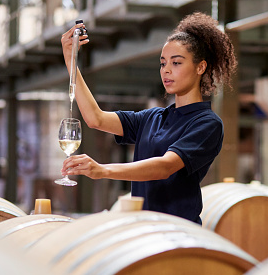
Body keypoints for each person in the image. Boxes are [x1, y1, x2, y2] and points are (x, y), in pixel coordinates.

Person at [60, 12, 237, 224]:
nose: (167, 70)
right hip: (144, 232)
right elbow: (95, 119)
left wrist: (102, 170)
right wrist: (71, 60)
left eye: (177, 63)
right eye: (163, 63)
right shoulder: (153, 118)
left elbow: (165, 167)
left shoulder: (207, 123)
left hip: (178, 233)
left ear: (201, 67)